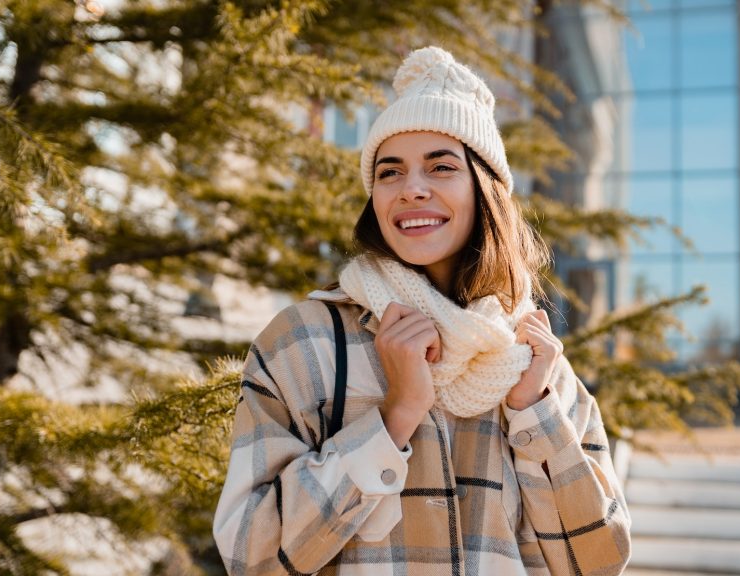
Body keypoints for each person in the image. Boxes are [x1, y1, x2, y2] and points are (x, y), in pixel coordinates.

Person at [213, 46, 631, 576]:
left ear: (485, 193)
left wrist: (534, 415)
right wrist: (395, 417)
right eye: (390, 172)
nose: (411, 188)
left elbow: (598, 561)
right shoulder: (302, 343)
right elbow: (250, 554)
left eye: (441, 166)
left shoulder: (537, 362)